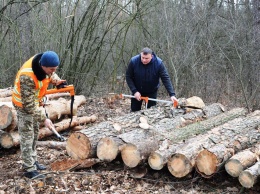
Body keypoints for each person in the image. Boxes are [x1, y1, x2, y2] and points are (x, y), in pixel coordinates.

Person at [12, 51, 66, 179]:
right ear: (43, 66)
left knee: (35, 132)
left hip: (35, 102)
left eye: (55, 69)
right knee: (27, 135)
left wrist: (58, 81)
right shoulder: (27, 76)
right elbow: (28, 105)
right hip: (23, 105)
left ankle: (33, 160)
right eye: (51, 69)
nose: (53, 71)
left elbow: (52, 75)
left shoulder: (44, 64)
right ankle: (29, 168)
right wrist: (45, 119)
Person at [126, 47, 178, 112]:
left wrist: (172, 94)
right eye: (142, 58)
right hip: (137, 90)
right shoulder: (134, 61)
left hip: (152, 91)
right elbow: (128, 76)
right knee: (134, 111)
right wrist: (134, 91)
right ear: (140, 55)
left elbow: (165, 78)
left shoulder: (159, 63)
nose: (144, 60)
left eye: (146, 58)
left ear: (151, 56)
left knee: (151, 112)